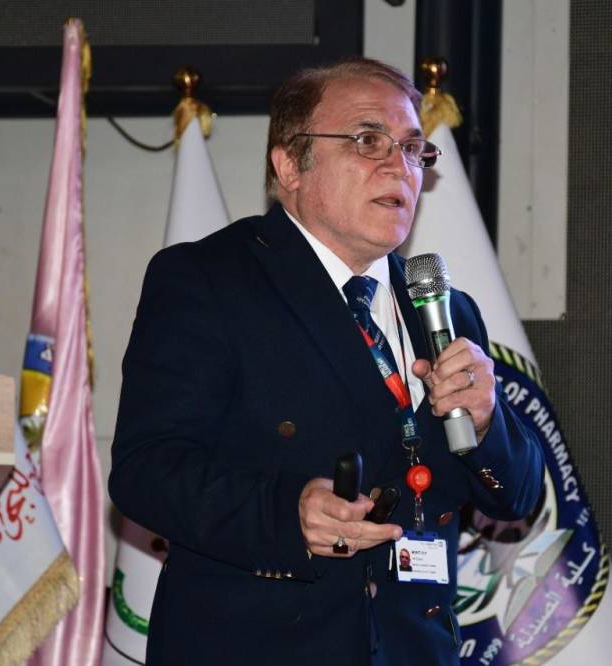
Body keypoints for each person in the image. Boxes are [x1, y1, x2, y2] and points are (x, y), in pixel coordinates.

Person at [109, 57, 543, 665]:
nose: (399, 166)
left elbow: (516, 498)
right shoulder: (209, 280)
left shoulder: (445, 309)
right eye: (368, 140)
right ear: (289, 165)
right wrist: (286, 515)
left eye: (412, 148)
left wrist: (487, 420)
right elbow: (146, 471)